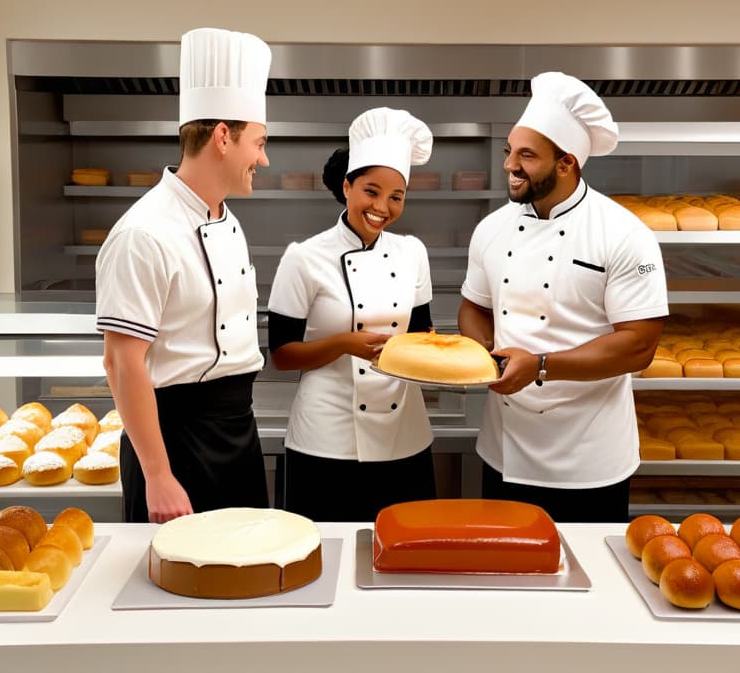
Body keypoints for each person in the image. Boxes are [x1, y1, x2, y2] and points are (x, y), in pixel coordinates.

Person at [458, 72, 668, 523]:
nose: (509, 164)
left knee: (591, 583)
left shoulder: (625, 234)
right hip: (506, 451)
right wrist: (484, 359)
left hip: (589, 458)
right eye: (508, 151)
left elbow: (639, 345)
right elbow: (474, 307)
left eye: (526, 155)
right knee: (506, 579)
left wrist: (540, 366)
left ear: (567, 163)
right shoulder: (492, 229)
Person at [96, 27, 272, 523]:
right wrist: (157, 475)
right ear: (222, 137)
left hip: (236, 429)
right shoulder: (143, 234)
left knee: (243, 579)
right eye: (258, 143)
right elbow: (121, 363)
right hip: (176, 442)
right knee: (174, 592)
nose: (263, 157)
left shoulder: (226, 219)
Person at [266, 107, 438, 522]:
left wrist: (444, 359)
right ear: (347, 187)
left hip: (404, 433)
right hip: (327, 437)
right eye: (371, 191)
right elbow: (282, 355)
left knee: (405, 552)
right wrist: (346, 343)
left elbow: (422, 333)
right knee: (327, 557)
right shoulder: (304, 258)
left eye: (396, 197)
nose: (383, 206)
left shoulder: (412, 252)